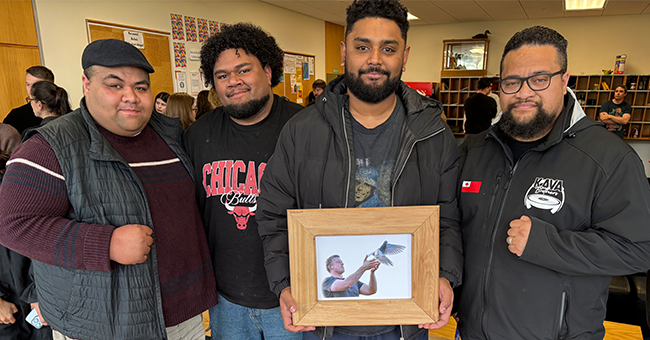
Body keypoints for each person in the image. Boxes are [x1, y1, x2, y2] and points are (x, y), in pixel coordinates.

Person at [256, 1, 463, 339]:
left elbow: (448, 220)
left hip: (405, 322)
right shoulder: (301, 132)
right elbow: (273, 216)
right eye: (362, 46)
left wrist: (444, 275)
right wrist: (284, 284)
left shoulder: (433, 134)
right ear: (344, 51)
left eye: (389, 48)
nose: (375, 59)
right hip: (324, 322)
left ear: (405, 56)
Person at [0, 38, 217, 340]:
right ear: (86, 84)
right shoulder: (50, 145)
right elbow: (14, 224)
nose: (131, 96)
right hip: (102, 324)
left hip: (185, 315)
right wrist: (106, 244)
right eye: (115, 85)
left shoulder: (171, 135)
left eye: (141, 87)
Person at [457, 26, 650, 340]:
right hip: (471, 332)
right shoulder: (474, 150)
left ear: (564, 81)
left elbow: (639, 248)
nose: (523, 92)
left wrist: (545, 245)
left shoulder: (608, 158)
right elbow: (451, 226)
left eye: (539, 79)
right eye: (511, 82)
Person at [183, 22, 304, 340]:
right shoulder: (198, 135)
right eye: (222, 75)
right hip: (225, 298)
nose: (233, 82)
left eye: (243, 70)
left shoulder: (305, 128)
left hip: (294, 295)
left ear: (267, 70)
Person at [3, 66, 54, 134]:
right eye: (28, 84)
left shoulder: (62, 110)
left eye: (35, 85)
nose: (30, 89)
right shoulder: (15, 116)